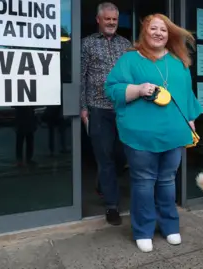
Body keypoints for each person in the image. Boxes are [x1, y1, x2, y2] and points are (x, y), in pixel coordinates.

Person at [104, 14, 202, 252]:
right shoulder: (129, 59)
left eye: (164, 30)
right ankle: (143, 229)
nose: (159, 33)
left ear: (169, 35)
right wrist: (137, 89)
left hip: (173, 133)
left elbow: (187, 95)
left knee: (168, 180)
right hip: (140, 135)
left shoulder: (179, 62)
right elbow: (112, 88)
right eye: (153, 28)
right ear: (144, 33)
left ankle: (169, 226)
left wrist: (190, 121)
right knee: (144, 182)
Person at [80, 2, 132, 225]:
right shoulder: (87, 44)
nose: (111, 22)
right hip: (98, 109)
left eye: (114, 19)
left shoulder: (127, 45)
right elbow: (81, 77)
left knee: (122, 156)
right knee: (105, 158)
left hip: (124, 108)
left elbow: (133, 75)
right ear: (98, 20)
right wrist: (83, 108)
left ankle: (103, 184)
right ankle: (112, 206)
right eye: (107, 19)